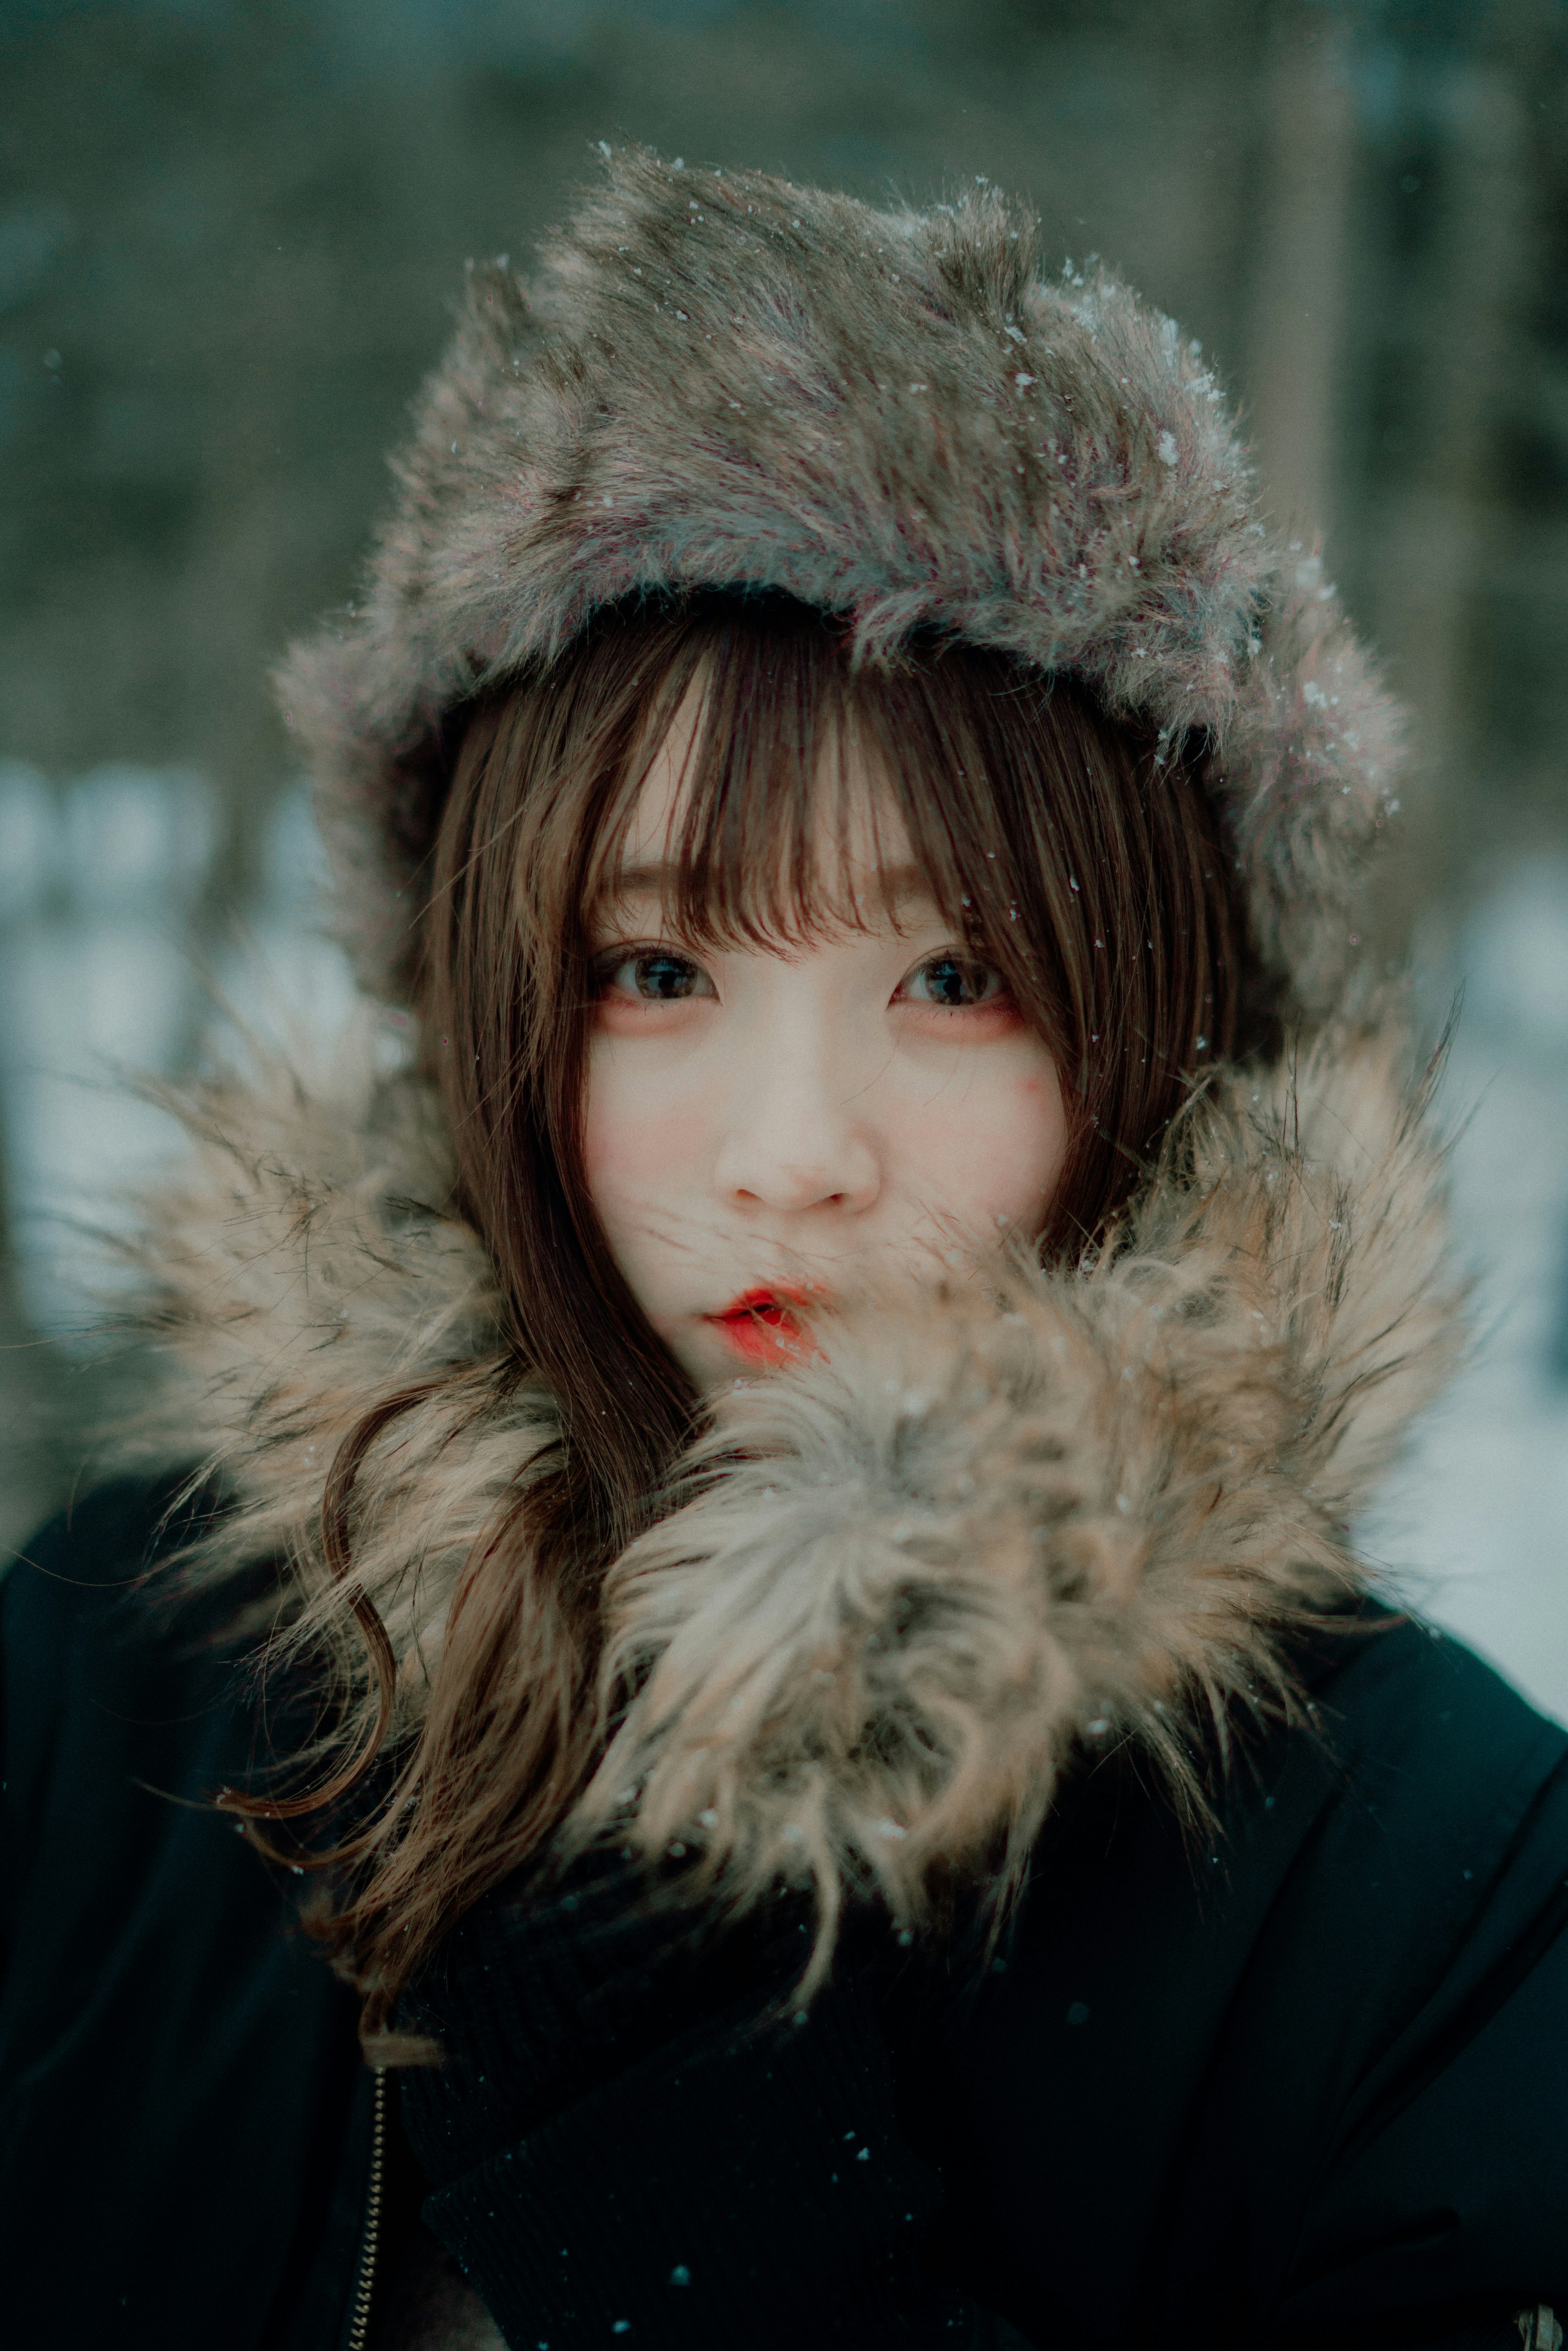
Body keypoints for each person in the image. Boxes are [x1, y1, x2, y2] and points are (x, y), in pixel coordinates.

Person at [2, 147, 1564, 2351]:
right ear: (486, 998)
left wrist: (734, 2248)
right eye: (654, 971)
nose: (792, 1156)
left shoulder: (1436, 1876)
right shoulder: (109, 1672)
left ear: (1165, 1023)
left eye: (955, 982)